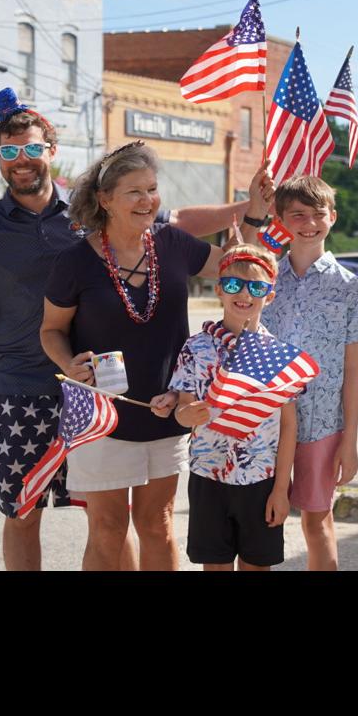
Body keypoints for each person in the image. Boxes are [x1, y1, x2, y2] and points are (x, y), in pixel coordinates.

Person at [0, 88, 271, 570]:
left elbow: (180, 225)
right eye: (10, 151)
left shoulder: (90, 217)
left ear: (51, 151)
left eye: (32, 148)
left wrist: (247, 212)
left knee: (115, 520)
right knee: (25, 513)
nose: (22, 160)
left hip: (110, 397)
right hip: (23, 389)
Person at [39, 141, 274, 571]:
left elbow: (240, 268)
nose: (148, 200)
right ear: (104, 199)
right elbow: (51, 330)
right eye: (134, 191)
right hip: (101, 415)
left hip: (166, 411)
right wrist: (66, 362)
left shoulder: (173, 244)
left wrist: (255, 213)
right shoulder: (73, 261)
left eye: (152, 189)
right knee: (107, 528)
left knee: (157, 523)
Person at [260, 175, 358, 571]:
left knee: (316, 520)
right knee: (261, 517)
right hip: (266, 423)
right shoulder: (265, 280)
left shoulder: (348, 286)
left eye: (318, 214)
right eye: (297, 215)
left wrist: (350, 440)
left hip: (324, 424)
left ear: (333, 217)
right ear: (280, 219)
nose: (309, 223)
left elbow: (353, 367)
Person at [161, 244, 297, 571]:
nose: (244, 294)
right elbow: (183, 410)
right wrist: (186, 414)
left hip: (260, 479)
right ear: (220, 289)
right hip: (209, 475)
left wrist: (281, 489)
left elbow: (288, 425)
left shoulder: (278, 355)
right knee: (215, 566)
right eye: (234, 285)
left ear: (270, 296)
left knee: (256, 565)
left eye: (257, 287)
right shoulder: (196, 347)